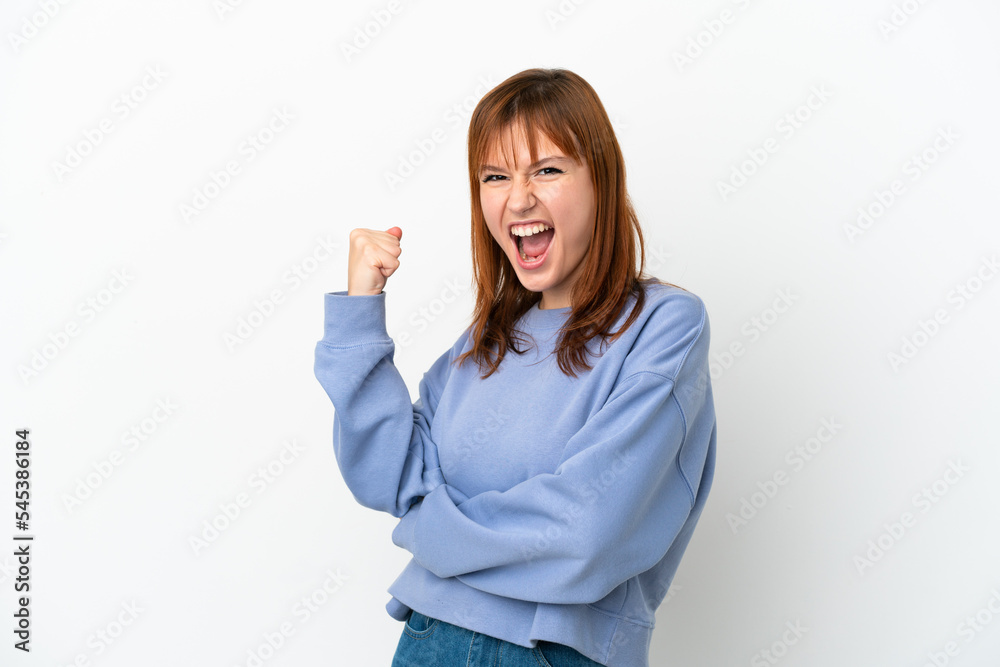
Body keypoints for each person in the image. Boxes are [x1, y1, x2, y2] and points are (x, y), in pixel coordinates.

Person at [314, 68, 717, 667]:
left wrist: (433, 534)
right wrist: (360, 313)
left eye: (547, 170)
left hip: (555, 651)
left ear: (601, 182)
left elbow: (586, 531)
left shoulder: (664, 326)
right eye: (495, 176)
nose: (518, 198)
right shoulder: (484, 342)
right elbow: (389, 477)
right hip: (430, 642)